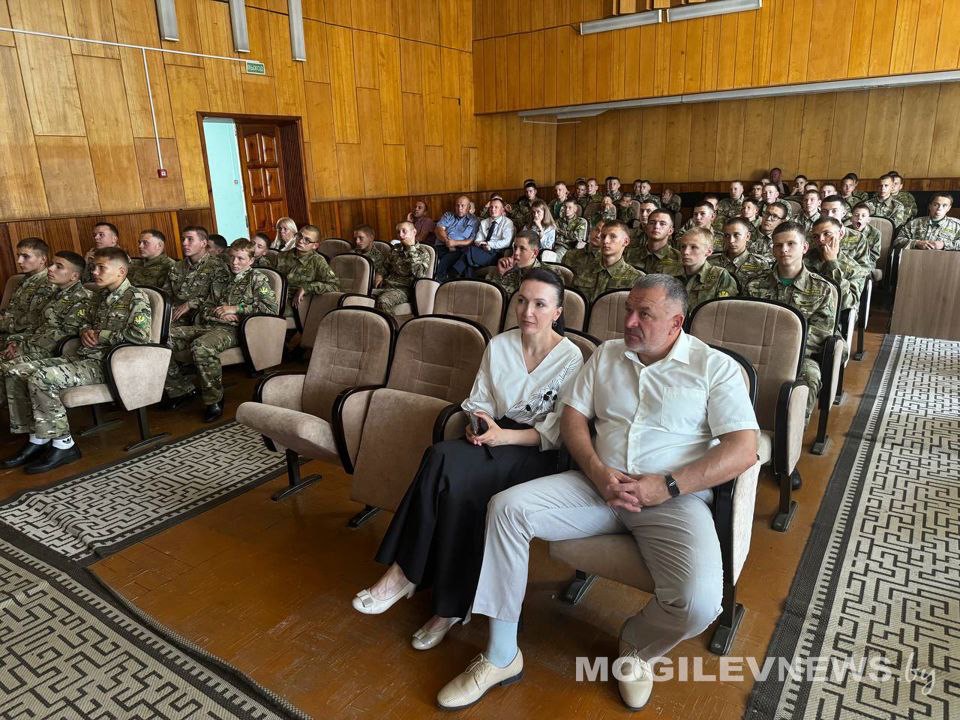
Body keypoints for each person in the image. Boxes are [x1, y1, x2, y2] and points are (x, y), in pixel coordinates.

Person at [436, 274, 759, 711]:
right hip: (597, 486)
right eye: (629, 310)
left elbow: (743, 449)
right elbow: (572, 416)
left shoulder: (713, 368)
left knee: (701, 605)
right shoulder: (608, 354)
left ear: (676, 322)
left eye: (644, 314)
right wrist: (597, 471)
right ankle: (501, 654)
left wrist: (667, 485)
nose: (630, 321)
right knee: (507, 509)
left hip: (671, 500)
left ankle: (638, 646)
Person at [352, 269, 583, 652]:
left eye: (540, 304)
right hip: (494, 435)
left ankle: (431, 592)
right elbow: (479, 401)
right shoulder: (500, 345)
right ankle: (415, 581)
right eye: (522, 301)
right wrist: (479, 424)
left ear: (557, 312)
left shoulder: (571, 357)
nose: (527, 311)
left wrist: (504, 436)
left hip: (535, 450)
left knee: (470, 487)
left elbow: (557, 431)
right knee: (441, 457)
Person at [2, 248, 152, 473]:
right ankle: (38, 438)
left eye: (101, 268)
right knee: (15, 372)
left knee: (42, 378)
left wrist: (101, 335)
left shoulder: (136, 298)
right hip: (82, 357)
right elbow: (83, 323)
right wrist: (85, 331)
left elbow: (140, 336)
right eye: (94, 267)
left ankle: (64, 445)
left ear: (121, 271)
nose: (95, 272)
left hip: (107, 364)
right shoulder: (99, 296)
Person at [163, 239, 279, 422]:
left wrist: (237, 310)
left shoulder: (257, 279)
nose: (234, 262)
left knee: (201, 347)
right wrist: (218, 312)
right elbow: (206, 305)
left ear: (251, 260)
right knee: (161, 339)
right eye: (232, 257)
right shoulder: (221, 278)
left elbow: (271, 310)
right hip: (209, 324)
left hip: (234, 330)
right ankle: (180, 390)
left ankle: (214, 400)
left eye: (240, 258)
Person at [745, 223, 837, 421]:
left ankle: (790, 435)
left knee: (809, 378)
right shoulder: (754, 284)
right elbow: (747, 324)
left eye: (791, 244)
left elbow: (820, 333)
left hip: (800, 355)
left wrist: (783, 351)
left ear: (804, 247)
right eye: (778, 245)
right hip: (756, 350)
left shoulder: (822, 289)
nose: (784, 249)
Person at [0, 252, 90, 402]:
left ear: (74, 276)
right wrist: (16, 342)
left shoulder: (83, 298)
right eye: (52, 264)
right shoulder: (54, 295)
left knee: (7, 369)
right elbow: (36, 326)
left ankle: (22, 416)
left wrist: (23, 348)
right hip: (32, 346)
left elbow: (64, 337)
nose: (50, 269)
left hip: (53, 352)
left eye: (59, 266)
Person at [264, 225, 340, 318]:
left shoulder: (317, 261)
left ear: (315, 245)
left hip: (296, 304)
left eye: (307, 240)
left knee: (266, 313)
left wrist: (306, 288)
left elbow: (334, 286)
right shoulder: (282, 256)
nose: (300, 241)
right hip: (275, 297)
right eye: (299, 236)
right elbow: (269, 278)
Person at [164, 226, 230, 326]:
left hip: (199, 319)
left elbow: (217, 299)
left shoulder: (217, 267)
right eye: (183, 239)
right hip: (172, 315)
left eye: (190, 239)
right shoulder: (176, 266)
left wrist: (191, 304)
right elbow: (166, 294)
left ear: (203, 243)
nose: (184, 243)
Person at [0, 238, 54, 342]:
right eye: (18, 256)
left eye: (25, 256)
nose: (19, 261)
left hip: (21, 338)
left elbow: (32, 321)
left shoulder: (48, 283)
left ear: (43, 259)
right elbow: (10, 310)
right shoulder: (25, 279)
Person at [373, 221, 431, 315]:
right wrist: (379, 275)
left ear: (414, 232)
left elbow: (419, 275)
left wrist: (411, 249)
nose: (400, 235)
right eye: (398, 232)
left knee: (383, 301)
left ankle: (390, 324)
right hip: (387, 286)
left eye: (404, 231)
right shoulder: (396, 249)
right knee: (361, 298)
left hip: (404, 290)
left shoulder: (422, 252)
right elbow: (385, 265)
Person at [445, 199, 514, 279]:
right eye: (491, 207)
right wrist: (482, 244)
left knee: (468, 250)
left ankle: (453, 273)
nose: (493, 209)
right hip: (482, 250)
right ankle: (469, 281)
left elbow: (507, 242)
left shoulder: (507, 223)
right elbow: (478, 239)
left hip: (497, 253)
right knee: (469, 258)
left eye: (496, 207)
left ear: (502, 210)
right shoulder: (484, 222)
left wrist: (489, 244)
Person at [675, 228, 738, 310]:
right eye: (683, 246)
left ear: (708, 252)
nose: (685, 252)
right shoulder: (670, 273)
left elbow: (724, 311)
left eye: (693, 247)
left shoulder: (720, 276)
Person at [710, 218, 770, 286]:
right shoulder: (710, 262)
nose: (731, 241)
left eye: (736, 235)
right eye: (727, 236)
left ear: (747, 236)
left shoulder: (760, 265)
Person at [434, 196, 480, 281]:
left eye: (463, 205)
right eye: (457, 205)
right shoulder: (448, 215)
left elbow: (471, 240)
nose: (459, 208)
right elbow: (439, 229)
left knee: (461, 256)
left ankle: (440, 279)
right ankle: (445, 280)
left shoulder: (474, 221)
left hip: (460, 248)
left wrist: (454, 243)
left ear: (468, 207)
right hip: (442, 246)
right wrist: (448, 242)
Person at [625, 210, 682, 275]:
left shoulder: (678, 258)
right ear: (646, 228)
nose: (656, 226)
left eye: (662, 224)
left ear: (670, 231)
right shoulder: (630, 254)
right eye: (652, 223)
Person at [895, 193, 960, 250]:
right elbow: (897, 241)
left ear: (949, 208)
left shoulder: (957, 225)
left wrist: (944, 245)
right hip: (916, 258)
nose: (939, 208)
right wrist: (916, 243)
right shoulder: (914, 223)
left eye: (944, 206)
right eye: (936, 205)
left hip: (945, 259)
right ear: (930, 206)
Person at [489, 232, 541, 296]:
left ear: (535, 253)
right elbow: (490, 295)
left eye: (522, 248)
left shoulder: (543, 278)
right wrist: (501, 274)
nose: (516, 252)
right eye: (515, 248)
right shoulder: (509, 268)